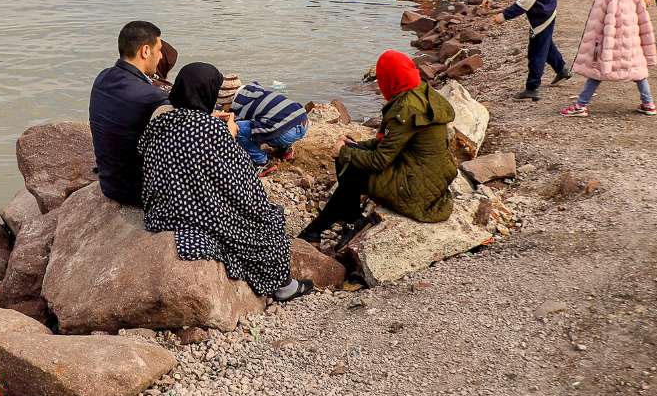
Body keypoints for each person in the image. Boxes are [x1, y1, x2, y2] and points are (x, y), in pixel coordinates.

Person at [141, 63, 313, 302]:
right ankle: (285, 287)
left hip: (165, 208)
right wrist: (229, 136)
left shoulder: (160, 121)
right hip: (200, 212)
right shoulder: (213, 130)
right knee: (269, 226)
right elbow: (239, 182)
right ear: (209, 92)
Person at [299, 51, 458, 244]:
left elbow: (379, 161)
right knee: (351, 156)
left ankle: (320, 229)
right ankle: (343, 218)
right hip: (429, 175)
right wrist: (354, 146)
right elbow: (390, 145)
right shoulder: (420, 92)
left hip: (416, 189)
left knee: (351, 166)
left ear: (390, 79)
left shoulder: (405, 110)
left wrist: (344, 151)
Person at [560, 0, 657, 117]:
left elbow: (598, 23)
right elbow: (644, 22)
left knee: (596, 72)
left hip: (609, 44)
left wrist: (596, 46)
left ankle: (581, 105)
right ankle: (648, 103)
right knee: (638, 71)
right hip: (632, 44)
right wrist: (646, 47)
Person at [89, 21, 170, 205]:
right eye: (159, 50)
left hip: (108, 183)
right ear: (145, 51)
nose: (160, 56)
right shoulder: (152, 96)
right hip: (137, 191)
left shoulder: (102, 77)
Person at [222, 80, 309, 170]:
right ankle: (284, 150)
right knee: (274, 120)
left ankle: (262, 162)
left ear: (229, 100)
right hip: (303, 121)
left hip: (286, 133)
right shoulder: (258, 93)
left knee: (239, 128)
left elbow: (236, 128)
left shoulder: (240, 105)